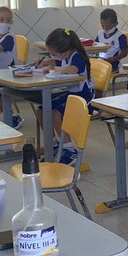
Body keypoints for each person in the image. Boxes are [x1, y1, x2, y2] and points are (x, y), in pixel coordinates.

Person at [37, 28, 95, 165]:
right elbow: (56, 62)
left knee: (55, 114)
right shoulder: (65, 57)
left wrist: (55, 69)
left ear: (66, 52)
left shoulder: (77, 57)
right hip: (71, 95)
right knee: (42, 110)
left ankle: (69, 150)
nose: (52, 56)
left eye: (53, 54)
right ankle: (53, 144)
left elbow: (73, 69)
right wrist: (44, 62)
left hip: (84, 99)